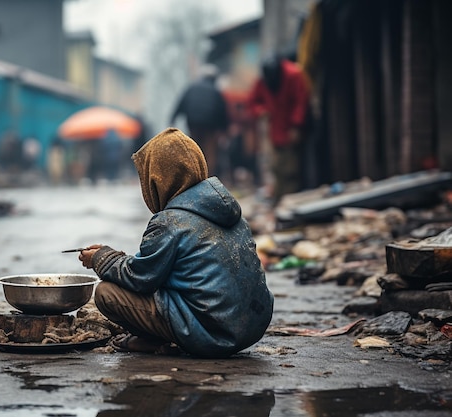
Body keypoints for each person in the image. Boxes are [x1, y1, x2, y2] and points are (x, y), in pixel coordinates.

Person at [75, 127, 274, 358]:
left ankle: (151, 340)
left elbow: (141, 278)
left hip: (212, 334)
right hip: (251, 327)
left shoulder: (168, 222)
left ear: (156, 179)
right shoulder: (231, 212)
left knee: (106, 293)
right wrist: (116, 257)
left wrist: (101, 258)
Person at [247, 54, 310, 205]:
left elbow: (300, 102)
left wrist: (296, 125)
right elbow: (252, 102)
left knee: (291, 169)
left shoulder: (293, 75)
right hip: (275, 130)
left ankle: (290, 199)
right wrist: (261, 111)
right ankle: (280, 200)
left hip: (290, 129)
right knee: (276, 167)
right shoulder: (264, 80)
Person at [170, 66, 230, 176]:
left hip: (193, 124)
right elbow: (223, 113)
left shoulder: (192, 87)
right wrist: (224, 130)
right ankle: (207, 177)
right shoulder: (216, 92)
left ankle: (193, 175)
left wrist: (172, 120)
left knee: (194, 149)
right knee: (209, 151)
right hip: (210, 126)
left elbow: (180, 104)